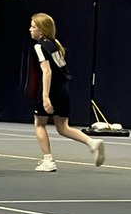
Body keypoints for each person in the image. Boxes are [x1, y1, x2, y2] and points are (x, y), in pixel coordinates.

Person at [28, 13, 105, 172]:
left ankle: (48, 161)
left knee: (39, 123)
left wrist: (45, 97)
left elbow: (46, 72)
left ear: (41, 31)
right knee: (63, 127)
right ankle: (92, 143)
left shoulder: (39, 46)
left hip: (51, 90)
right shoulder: (55, 45)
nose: (30, 29)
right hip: (64, 90)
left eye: (33, 27)